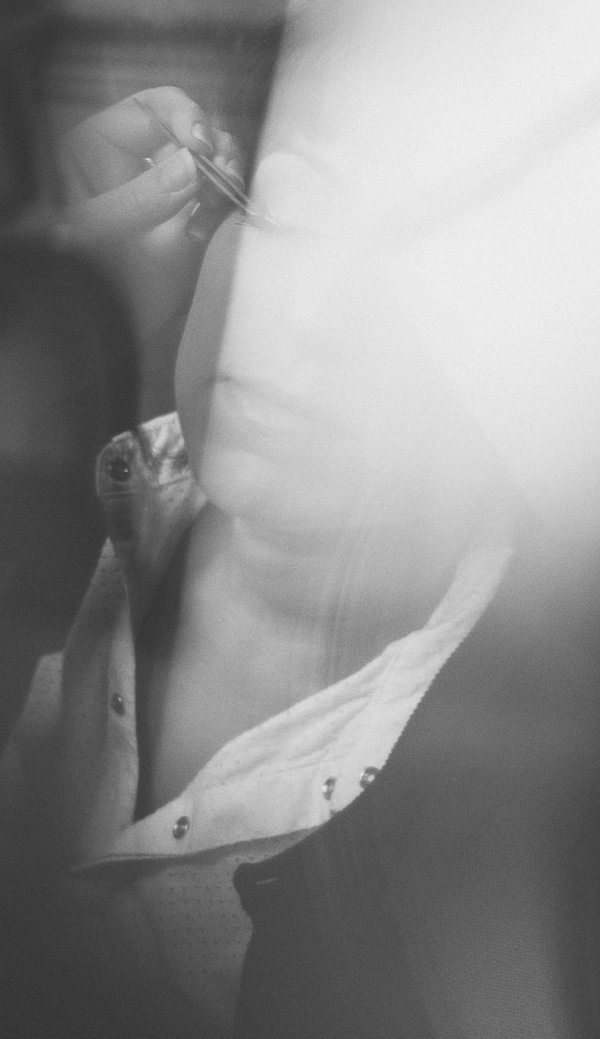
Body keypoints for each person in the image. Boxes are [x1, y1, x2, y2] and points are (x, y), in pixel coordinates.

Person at [0, 88, 511, 1038]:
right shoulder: (65, 476)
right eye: (288, 212)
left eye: (416, 269)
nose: (312, 315)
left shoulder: (507, 812)